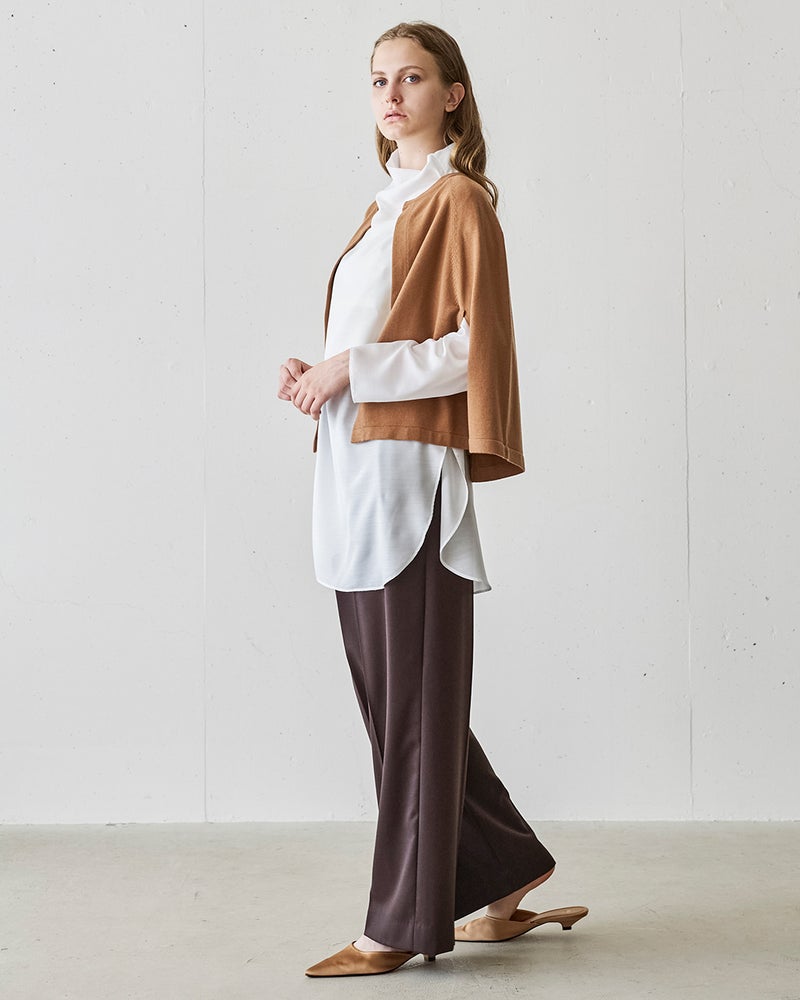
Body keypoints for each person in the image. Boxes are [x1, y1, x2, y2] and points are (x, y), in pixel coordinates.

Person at [277, 20, 588, 978]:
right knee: (401, 705)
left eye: (411, 77)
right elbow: (381, 344)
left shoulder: (458, 200)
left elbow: (471, 349)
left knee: (412, 710)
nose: (391, 93)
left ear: (452, 93)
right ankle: (506, 868)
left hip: (410, 488)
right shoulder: (384, 208)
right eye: (379, 78)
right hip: (356, 482)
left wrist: (351, 368)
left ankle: (399, 925)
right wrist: (320, 374)